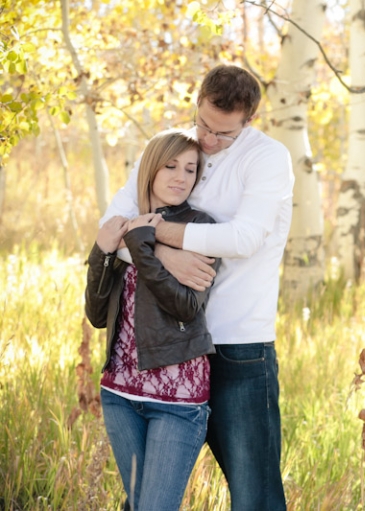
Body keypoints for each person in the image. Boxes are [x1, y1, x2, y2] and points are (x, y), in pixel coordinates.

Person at [101, 65, 294, 510]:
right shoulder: (173, 148)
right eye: (203, 123)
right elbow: (110, 227)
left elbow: (243, 239)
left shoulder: (266, 158)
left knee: (255, 494)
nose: (208, 140)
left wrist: (152, 233)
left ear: (249, 121)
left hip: (236, 344)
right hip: (168, 345)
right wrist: (160, 253)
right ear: (197, 101)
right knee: (146, 499)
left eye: (223, 133)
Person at [85, 129, 220, 510]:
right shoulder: (123, 223)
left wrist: (144, 248)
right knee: (137, 503)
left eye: (191, 169)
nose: (181, 177)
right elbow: (97, 315)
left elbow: (187, 308)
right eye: (171, 166)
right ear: (150, 169)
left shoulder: (201, 227)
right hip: (119, 393)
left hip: (178, 400)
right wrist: (102, 252)